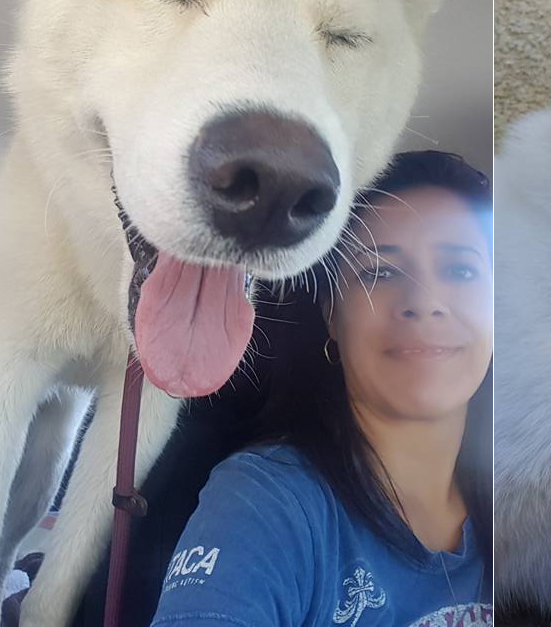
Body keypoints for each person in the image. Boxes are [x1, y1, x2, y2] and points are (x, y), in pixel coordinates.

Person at [150, 151, 493, 627]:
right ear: (332, 315)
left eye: (460, 271)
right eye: (380, 273)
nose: (425, 303)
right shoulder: (266, 503)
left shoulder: (533, 499)